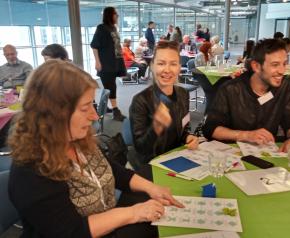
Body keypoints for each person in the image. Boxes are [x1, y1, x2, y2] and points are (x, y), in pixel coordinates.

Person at [8, 60, 183, 237]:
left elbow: (114, 172)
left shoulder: (77, 141)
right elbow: (71, 232)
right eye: (85, 108)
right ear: (55, 114)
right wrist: (133, 213)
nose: (94, 115)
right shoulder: (30, 171)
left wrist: (151, 188)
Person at [202, 38, 290, 152]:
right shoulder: (231, 89)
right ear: (256, 66)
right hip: (232, 153)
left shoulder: (284, 87)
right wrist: (246, 135)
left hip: (266, 152)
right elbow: (210, 129)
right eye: (275, 65)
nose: (282, 70)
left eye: (284, 64)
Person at [129, 40, 199, 165]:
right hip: (153, 163)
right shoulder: (140, 101)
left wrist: (188, 137)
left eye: (173, 64)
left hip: (178, 157)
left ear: (179, 67)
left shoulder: (183, 94)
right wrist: (156, 127)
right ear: (152, 66)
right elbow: (141, 149)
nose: (167, 70)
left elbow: (184, 128)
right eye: (161, 63)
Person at [90, 6, 126, 121]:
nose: (117, 16)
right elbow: (94, 45)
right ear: (109, 15)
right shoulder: (101, 28)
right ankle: (116, 111)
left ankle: (104, 107)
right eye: (116, 14)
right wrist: (97, 62)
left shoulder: (113, 28)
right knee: (111, 86)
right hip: (106, 62)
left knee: (109, 86)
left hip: (115, 61)